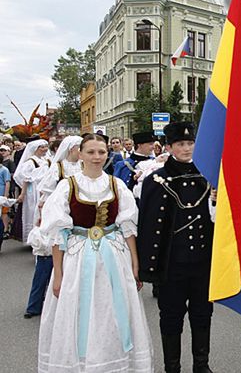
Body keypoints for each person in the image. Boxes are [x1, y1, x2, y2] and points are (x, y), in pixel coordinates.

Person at [37, 133, 153, 372]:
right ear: (80, 154)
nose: (97, 157)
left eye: (101, 152)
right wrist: (58, 275)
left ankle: (114, 362)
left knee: (112, 309)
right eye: (91, 152)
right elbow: (57, 236)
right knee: (80, 310)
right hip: (78, 258)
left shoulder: (116, 184)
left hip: (113, 254)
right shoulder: (67, 186)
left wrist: (134, 263)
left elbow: (128, 227)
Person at [137, 122, 216, 373]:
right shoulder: (156, 180)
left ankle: (201, 365)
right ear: (169, 147)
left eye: (190, 143)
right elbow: (148, 226)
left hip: (203, 263)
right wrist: (147, 267)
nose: (186, 148)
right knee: (171, 318)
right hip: (172, 265)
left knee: (202, 315)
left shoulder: (209, 177)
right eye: (180, 144)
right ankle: (172, 367)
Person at [23, 136, 83, 320]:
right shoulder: (58, 167)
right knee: (47, 261)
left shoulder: (83, 167)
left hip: (78, 219)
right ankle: (34, 304)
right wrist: (42, 218)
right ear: (71, 149)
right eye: (79, 147)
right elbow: (45, 194)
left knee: (74, 263)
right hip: (58, 218)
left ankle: (69, 305)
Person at [13, 139, 50, 242]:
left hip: (43, 189)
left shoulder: (45, 160)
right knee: (33, 212)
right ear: (35, 149)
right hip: (33, 191)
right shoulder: (30, 162)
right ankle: (34, 237)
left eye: (45, 146)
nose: (45, 149)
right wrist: (23, 193)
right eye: (41, 147)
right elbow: (25, 178)